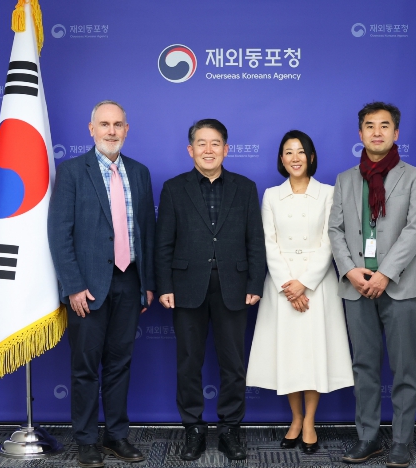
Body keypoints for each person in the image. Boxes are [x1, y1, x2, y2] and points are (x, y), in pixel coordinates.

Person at [48, 100, 155, 468]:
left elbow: (147, 231)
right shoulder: (72, 171)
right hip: (88, 288)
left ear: (127, 129)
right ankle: (86, 439)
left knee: (119, 364)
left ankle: (115, 435)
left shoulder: (139, 172)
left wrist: (148, 283)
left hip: (130, 281)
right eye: (104, 124)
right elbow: (59, 233)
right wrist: (73, 286)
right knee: (85, 367)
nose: (111, 131)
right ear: (91, 129)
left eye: (118, 124)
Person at [155, 119, 266, 461]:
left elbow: (255, 241)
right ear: (190, 150)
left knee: (233, 363)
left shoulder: (245, 187)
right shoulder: (174, 188)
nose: (208, 150)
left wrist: (255, 282)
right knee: (189, 362)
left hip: (234, 286)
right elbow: (163, 243)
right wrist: (164, 285)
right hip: (186, 287)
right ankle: (193, 428)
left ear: (226, 149)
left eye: (215, 143)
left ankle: (230, 428)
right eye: (201, 143)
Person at [328, 102, 416, 468]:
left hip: (399, 285)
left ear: (395, 133)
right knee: (364, 366)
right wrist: (351, 271)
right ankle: (368, 437)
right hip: (356, 286)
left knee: (404, 369)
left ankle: (401, 442)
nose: (377, 132)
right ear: (360, 134)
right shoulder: (345, 179)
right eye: (370, 126)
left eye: (384, 126)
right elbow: (335, 230)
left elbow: (415, 229)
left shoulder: (413, 177)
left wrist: (385, 273)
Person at [246, 130, 354, 454]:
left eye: (301, 152)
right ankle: (295, 418)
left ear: (311, 157)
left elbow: (330, 240)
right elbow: (268, 242)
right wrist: (288, 285)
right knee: (289, 354)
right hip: (282, 285)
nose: (295, 158)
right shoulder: (271, 195)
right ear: (281, 159)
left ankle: (310, 421)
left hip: (317, 285)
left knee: (313, 353)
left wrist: (305, 282)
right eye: (288, 152)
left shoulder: (328, 193)